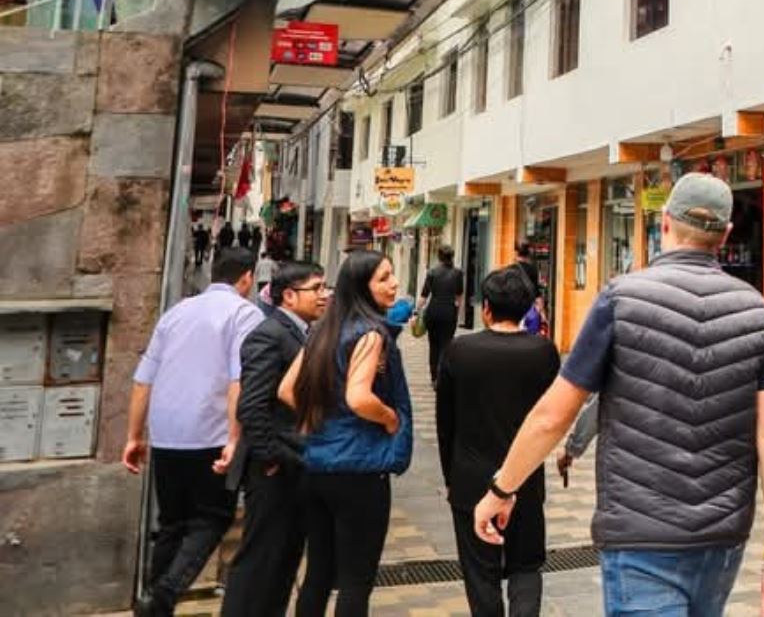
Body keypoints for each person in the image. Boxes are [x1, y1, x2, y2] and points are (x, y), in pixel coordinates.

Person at [473, 174, 764, 617]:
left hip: (639, 532)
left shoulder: (621, 299)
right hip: (721, 536)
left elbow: (554, 415)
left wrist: (501, 488)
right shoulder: (757, 314)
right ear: (724, 235)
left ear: (664, 222)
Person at [121, 248, 262, 617]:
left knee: (172, 522)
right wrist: (235, 438)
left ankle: (152, 600)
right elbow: (238, 379)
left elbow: (142, 380)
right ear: (247, 277)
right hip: (210, 433)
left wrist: (134, 436)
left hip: (167, 432)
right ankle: (164, 594)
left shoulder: (177, 312)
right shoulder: (243, 313)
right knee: (211, 518)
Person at [281, 251, 414, 617]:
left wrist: (320, 418)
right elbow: (359, 397)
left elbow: (287, 389)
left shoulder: (322, 330)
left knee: (319, 575)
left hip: (316, 467)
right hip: (359, 472)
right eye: (384, 278)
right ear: (362, 287)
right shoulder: (371, 334)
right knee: (356, 579)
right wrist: (389, 419)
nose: (394, 284)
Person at [438, 267, 563, 616]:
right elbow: (552, 413)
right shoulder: (544, 352)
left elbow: (445, 422)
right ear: (527, 307)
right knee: (526, 565)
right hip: (524, 476)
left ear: (486, 308)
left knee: (480, 572)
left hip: (469, 476)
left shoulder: (459, 350)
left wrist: (450, 477)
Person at [221, 260, 330, 617]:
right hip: (272, 469)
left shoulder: (303, 332)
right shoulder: (270, 334)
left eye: (324, 288)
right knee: (260, 560)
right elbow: (251, 405)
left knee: (283, 558)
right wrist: (270, 457)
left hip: (293, 465)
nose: (323, 296)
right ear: (289, 295)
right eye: (316, 289)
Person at [421, 245, 465, 382]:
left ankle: (434, 377)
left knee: (433, 345)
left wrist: (416, 313)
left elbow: (424, 296)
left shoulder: (432, 272)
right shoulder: (458, 273)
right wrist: (457, 312)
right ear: (452, 256)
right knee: (446, 345)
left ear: (439, 257)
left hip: (433, 312)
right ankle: (442, 376)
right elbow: (459, 297)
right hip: (449, 312)